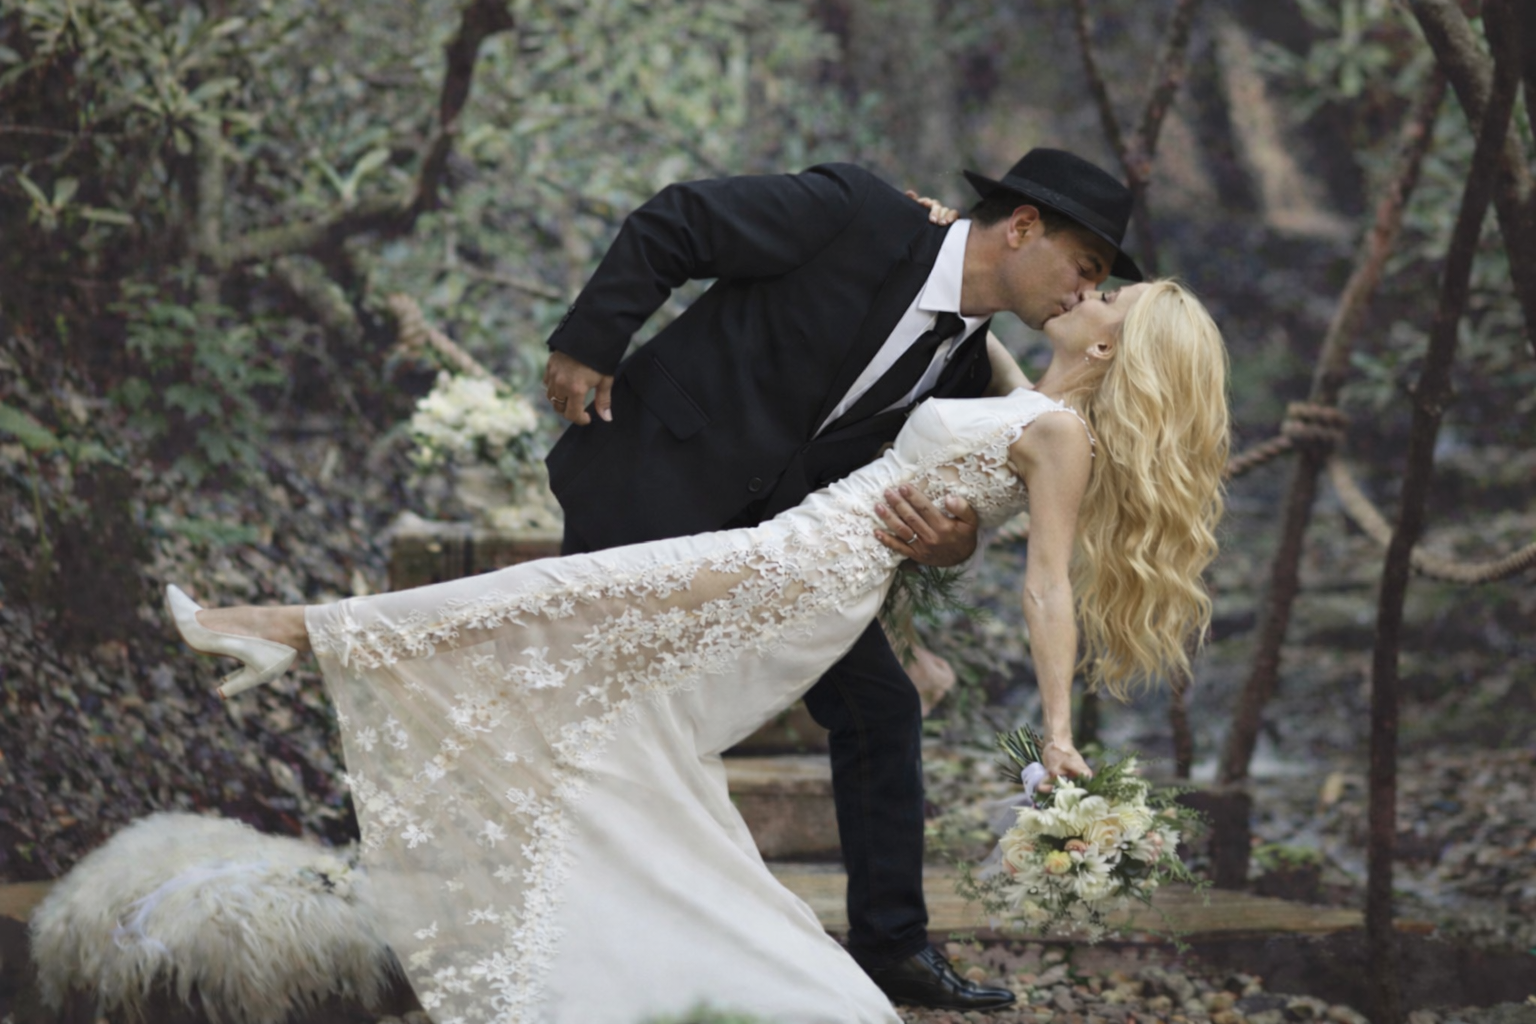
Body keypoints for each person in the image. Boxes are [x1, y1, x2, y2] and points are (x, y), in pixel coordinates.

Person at [168, 275, 1230, 1024]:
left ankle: (287, 632)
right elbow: (958, 306)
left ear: (1105, 349)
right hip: (791, 549)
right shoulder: (1021, 395)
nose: (1088, 290)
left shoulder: (1059, 434)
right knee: (594, 671)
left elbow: (1046, 582)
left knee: (561, 594)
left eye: (1107, 299)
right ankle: (632, 942)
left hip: (807, 574)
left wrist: (1054, 727)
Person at [533, 149, 1141, 1011]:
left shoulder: (969, 370)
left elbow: (919, 500)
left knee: (881, 707)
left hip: (777, 555)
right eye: (1086, 268)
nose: (1085, 293)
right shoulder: (857, 211)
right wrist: (588, 340)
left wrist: (950, 544)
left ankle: (892, 947)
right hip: (646, 485)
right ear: (1024, 226)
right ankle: (563, 926)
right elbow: (677, 221)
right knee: (589, 711)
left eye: (1100, 284)